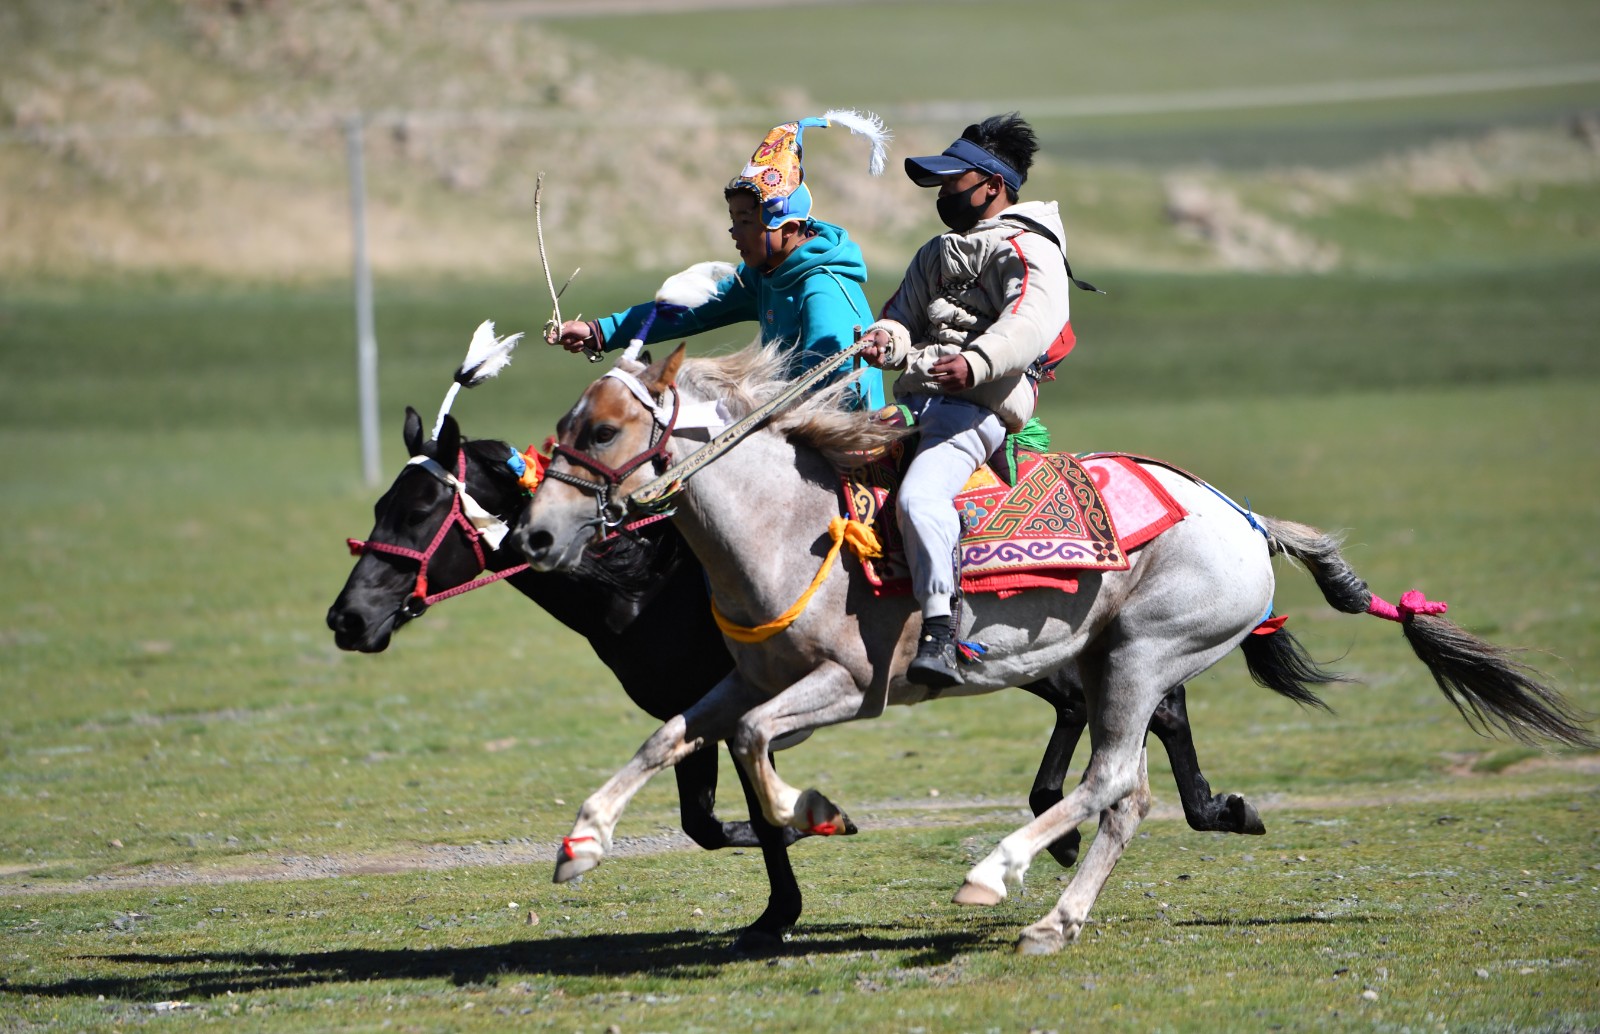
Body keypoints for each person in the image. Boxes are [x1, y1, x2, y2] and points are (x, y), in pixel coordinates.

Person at [859, 112, 1094, 689]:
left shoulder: (1028, 248)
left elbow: (1032, 321)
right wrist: (884, 339)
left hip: (977, 405)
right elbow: (900, 318)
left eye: (952, 181)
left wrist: (976, 363)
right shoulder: (934, 252)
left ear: (991, 186)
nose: (943, 193)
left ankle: (940, 632)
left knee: (918, 498)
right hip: (917, 402)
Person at [550, 111, 890, 411]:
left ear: (787, 228)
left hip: (836, 446)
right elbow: (689, 309)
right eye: (733, 219)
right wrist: (600, 331)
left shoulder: (822, 289)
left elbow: (832, 390)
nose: (733, 231)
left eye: (745, 221)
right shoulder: (765, 276)